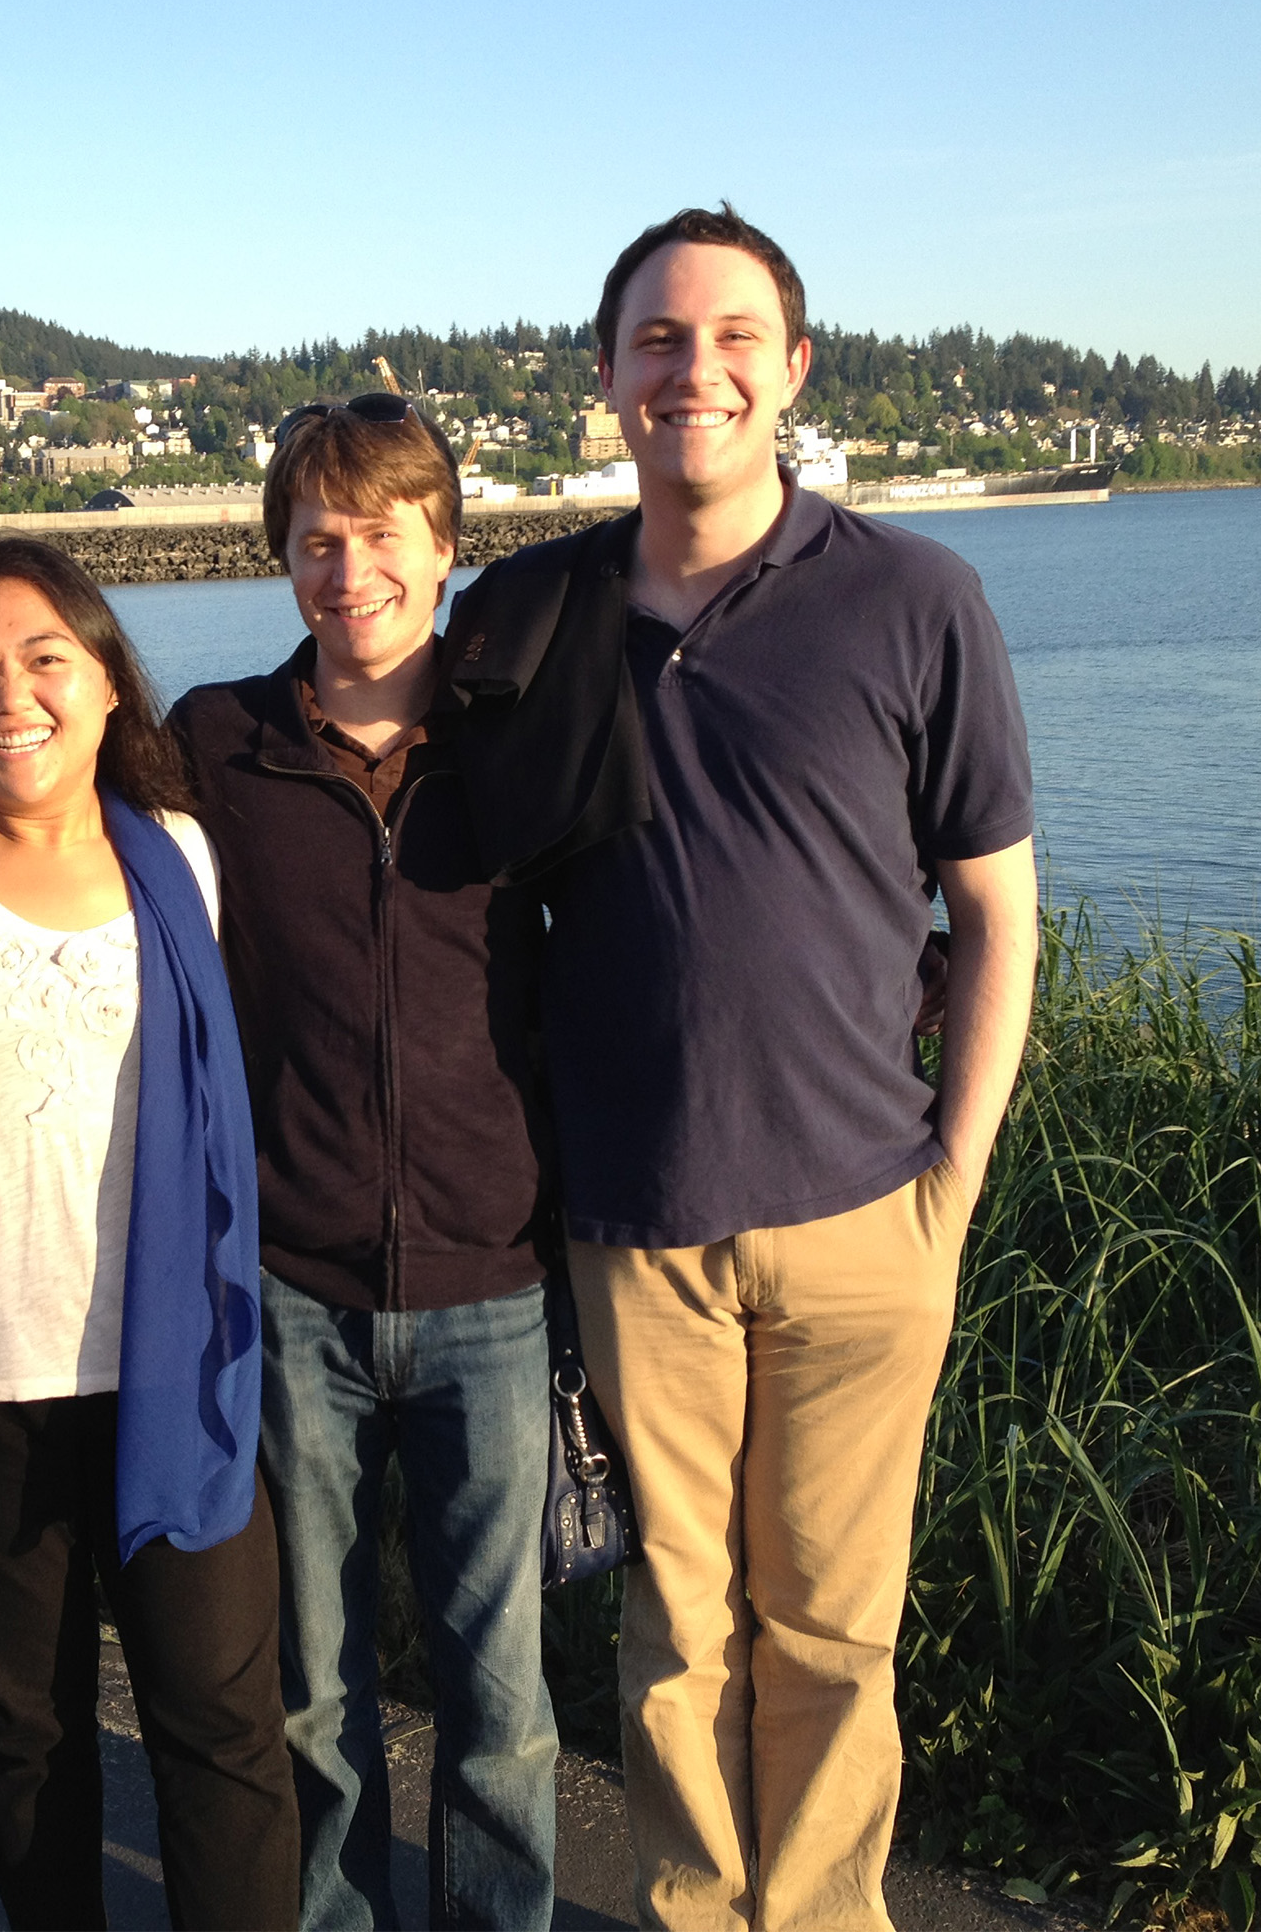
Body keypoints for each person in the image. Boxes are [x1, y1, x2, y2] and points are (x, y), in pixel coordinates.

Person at [448, 205, 1040, 1929]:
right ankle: (702, 1915)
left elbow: (998, 915)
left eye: (728, 340)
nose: (689, 371)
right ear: (609, 377)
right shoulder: (533, 616)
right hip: (634, 1223)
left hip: (869, 1215)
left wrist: (952, 1194)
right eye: (654, 340)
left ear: (789, 370)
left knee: (838, 1634)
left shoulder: (916, 599)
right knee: (676, 1628)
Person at [167, 399, 633, 1930]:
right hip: (290, 1287)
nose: (346, 565)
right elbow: (38, 850)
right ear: (282, 560)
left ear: (444, 546)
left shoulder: (515, 754)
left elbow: (676, 904)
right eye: (315, 537)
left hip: (491, 1287)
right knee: (314, 1695)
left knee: (502, 1707)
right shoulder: (216, 747)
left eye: (380, 531)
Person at [0, 536, 299, 1931]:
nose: (9, 695)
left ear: (109, 683)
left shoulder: (177, 860)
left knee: (221, 1734)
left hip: (181, 1369)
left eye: (46, 658)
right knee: (24, 1736)